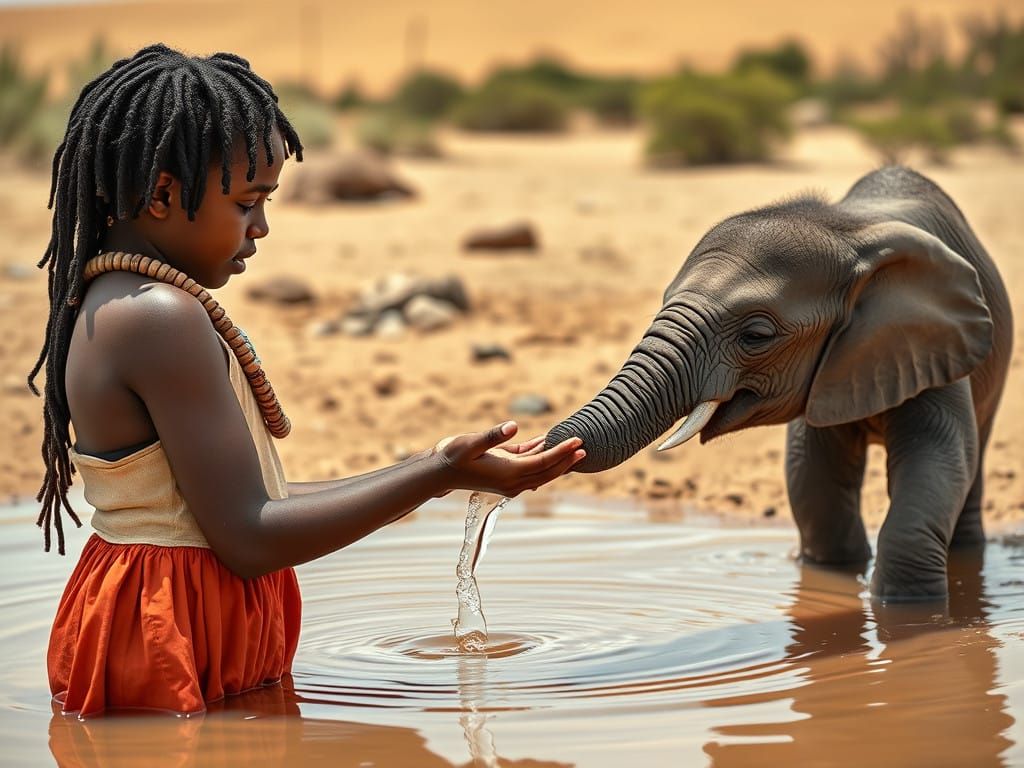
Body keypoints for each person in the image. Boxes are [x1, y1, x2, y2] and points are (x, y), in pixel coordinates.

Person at [30, 44, 585, 717]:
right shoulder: (158, 318)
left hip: (165, 606)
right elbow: (249, 536)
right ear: (165, 194)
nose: (261, 228)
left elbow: (237, 502)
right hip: (168, 625)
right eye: (247, 202)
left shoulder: (124, 300)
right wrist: (436, 472)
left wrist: (443, 472)